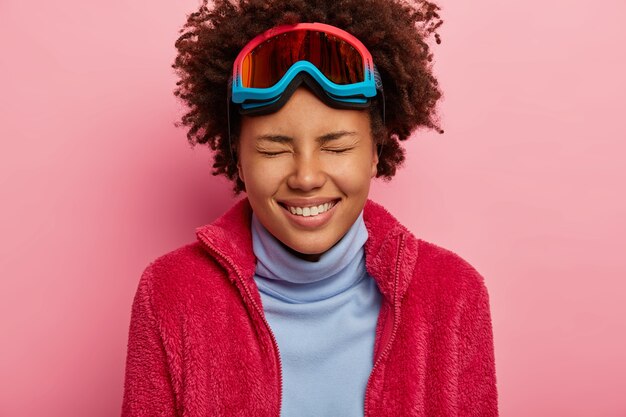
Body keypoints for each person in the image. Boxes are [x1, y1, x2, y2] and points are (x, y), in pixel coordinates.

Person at [121, 0, 498, 416]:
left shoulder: (452, 294)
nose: (306, 177)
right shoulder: (172, 293)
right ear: (237, 158)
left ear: (375, 151)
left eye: (336, 146)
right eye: (273, 149)